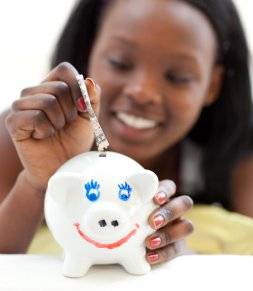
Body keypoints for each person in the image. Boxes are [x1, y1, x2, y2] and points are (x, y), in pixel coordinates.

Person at [0, 0, 252, 261]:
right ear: (89, 50)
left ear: (212, 85)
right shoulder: (27, 138)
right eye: (120, 63)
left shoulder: (240, 158)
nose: (142, 92)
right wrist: (37, 185)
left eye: (178, 77)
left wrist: (184, 258)